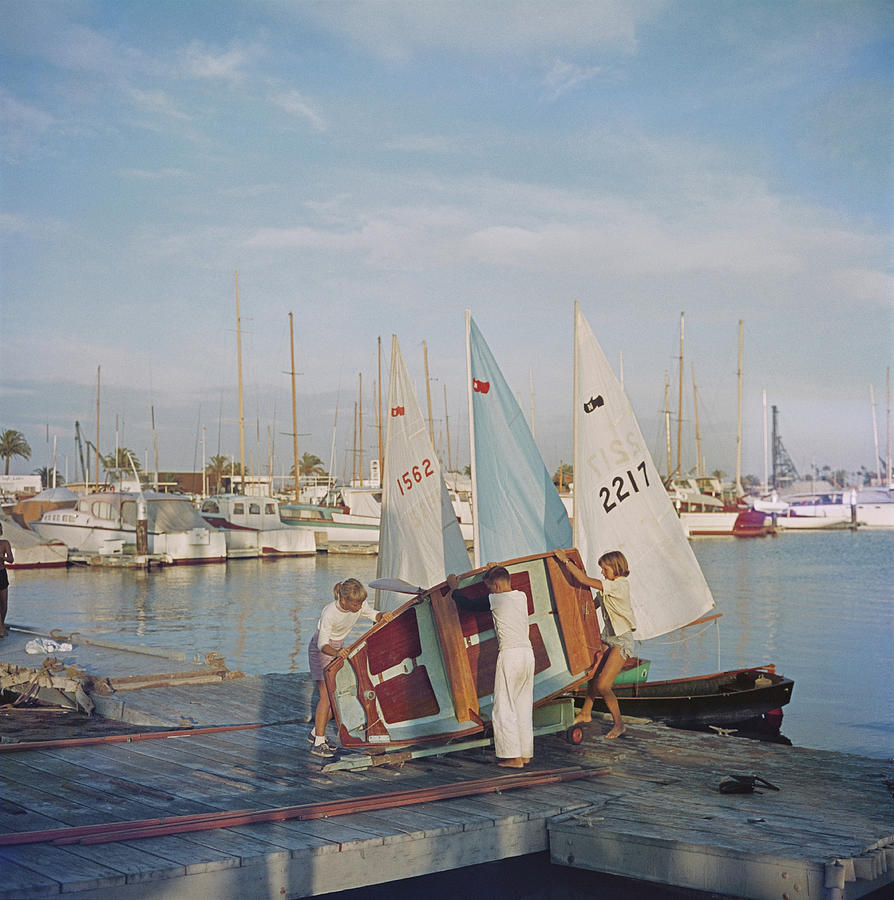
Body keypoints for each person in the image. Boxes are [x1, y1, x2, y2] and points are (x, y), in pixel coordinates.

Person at [447, 566, 534, 768]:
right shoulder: (521, 596)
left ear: (495, 585)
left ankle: (512, 757)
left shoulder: (496, 599)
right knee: (522, 705)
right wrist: (493, 569)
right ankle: (524, 754)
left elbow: (466, 604)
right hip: (527, 655)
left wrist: (454, 588)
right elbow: (503, 580)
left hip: (510, 655)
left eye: (490, 588)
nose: (490, 592)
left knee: (503, 706)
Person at [554, 548, 635, 739]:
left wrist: (566, 561)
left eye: (605, 569)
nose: (602, 573)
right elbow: (591, 605)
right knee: (592, 675)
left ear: (616, 568)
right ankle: (586, 713)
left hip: (621, 640)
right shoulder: (608, 587)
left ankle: (619, 725)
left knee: (604, 685)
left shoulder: (620, 586)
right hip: (607, 638)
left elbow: (584, 580)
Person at [307, 578, 392, 758]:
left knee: (334, 696)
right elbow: (322, 644)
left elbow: (372, 614)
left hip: (338, 649)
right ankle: (318, 743)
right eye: (356, 604)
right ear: (343, 601)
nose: (359, 607)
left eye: (361, 602)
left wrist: (382, 615)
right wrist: (337, 653)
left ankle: (315, 733)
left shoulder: (359, 604)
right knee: (326, 697)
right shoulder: (330, 612)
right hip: (321, 650)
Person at [0, 524, 12, 638]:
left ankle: (1, 624)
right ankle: (1, 628)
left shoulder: (5, 543)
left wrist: (2, 558)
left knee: (4, 603)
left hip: (2, 573)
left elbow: (11, 559)